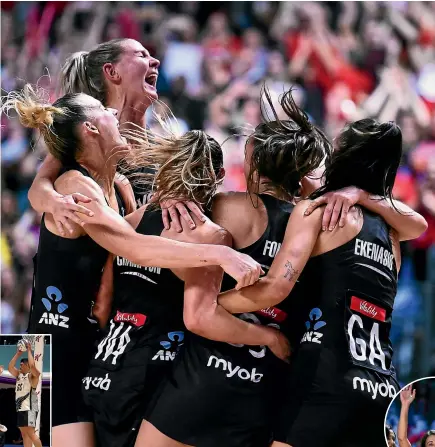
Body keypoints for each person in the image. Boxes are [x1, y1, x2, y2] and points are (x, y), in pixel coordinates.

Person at [2, 86, 262, 447]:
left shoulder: (117, 186)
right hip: (37, 352)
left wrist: (171, 195)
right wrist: (221, 255)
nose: (114, 113)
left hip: (83, 344)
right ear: (91, 129)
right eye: (105, 112)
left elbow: (128, 241)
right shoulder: (74, 183)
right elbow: (133, 246)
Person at [217, 116, 428, 447]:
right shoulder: (392, 234)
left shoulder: (317, 211)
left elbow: (274, 288)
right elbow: (419, 225)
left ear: (346, 154)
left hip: (326, 376)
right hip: (381, 387)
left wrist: (214, 304)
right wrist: (361, 194)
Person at [81, 126, 290, 447]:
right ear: (218, 176)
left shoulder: (131, 223)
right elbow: (201, 318)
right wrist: (269, 337)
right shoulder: (208, 235)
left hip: (101, 366)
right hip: (148, 372)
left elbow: (102, 304)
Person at [28, 38, 203, 235]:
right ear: (112, 72)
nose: (156, 61)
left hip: (145, 257)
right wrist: (56, 203)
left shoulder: (163, 149)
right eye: (141, 55)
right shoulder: (90, 137)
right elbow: (37, 189)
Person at [7, 342, 42, 447]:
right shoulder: (19, 375)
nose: (20, 366)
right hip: (21, 408)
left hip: (30, 408)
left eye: (22, 365)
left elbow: (32, 366)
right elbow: (10, 367)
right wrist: (18, 354)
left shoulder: (32, 376)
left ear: (27, 366)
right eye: (20, 365)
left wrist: (29, 351)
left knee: (31, 434)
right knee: (24, 435)